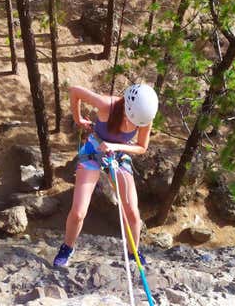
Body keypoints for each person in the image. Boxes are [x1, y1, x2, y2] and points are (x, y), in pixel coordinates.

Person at [53, 84, 159, 267]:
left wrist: (116, 147)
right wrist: (78, 119)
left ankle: (133, 252)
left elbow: (142, 147)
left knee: (132, 213)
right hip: (94, 150)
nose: (135, 123)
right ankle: (67, 248)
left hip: (118, 153)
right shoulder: (106, 105)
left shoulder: (144, 117)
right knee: (78, 212)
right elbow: (75, 91)